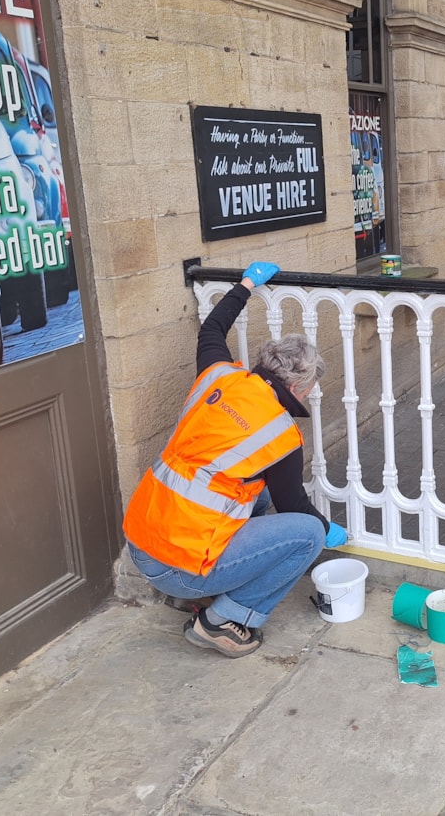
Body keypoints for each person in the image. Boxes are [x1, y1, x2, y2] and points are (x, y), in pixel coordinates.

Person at [123, 261, 347, 658]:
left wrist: (246, 283)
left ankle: (195, 592)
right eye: (312, 386)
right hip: (177, 566)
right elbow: (295, 505)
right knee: (307, 536)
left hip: (142, 540)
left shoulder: (219, 376)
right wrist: (328, 529)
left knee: (255, 497)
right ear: (295, 385)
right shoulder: (278, 435)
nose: (312, 393)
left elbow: (212, 329)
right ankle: (223, 619)